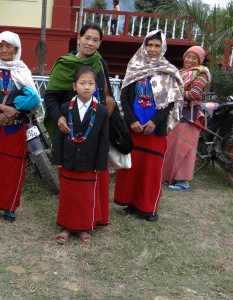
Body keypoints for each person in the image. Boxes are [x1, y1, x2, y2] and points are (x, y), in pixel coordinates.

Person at [44, 22, 116, 227]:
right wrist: (59, 117)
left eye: (95, 40)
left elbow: (106, 93)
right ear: (79, 39)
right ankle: (70, 219)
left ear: (100, 43)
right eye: (87, 38)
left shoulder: (100, 63)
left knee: (95, 174)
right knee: (72, 178)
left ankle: (95, 217)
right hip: (69, 125)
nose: (90, 43)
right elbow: (50, 97)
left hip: (95, 124)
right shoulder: (64, 63)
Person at [113, 29, 184, 222]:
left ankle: (148, 207)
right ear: (144, 46)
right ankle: (130, 202)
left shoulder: (168, 71)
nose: (152, 49)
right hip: (134, 129)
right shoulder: (134, 67)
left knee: (151, 170)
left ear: (163, 48)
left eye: (156, 45)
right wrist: (132, 120)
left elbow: (170, 102)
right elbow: (125, 98)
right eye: (149, 45)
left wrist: (154, 121)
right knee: (132, 168)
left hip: (155, 131)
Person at [0, 31, 40, 222]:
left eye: (8, 46)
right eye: (1, 46)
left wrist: (15, 111)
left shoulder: (22, 71)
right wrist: (3, 108)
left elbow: (32, 98)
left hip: (14, 128)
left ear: (16, 48)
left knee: (12, 167)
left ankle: (10, 206)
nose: (4, 50)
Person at [53, 66, 109, 244]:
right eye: (82, 83)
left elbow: (104, 138)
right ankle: (66, 227)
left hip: (89, 161)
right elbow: (59, 136)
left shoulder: (101, 111)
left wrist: (100, 164)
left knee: (86, 196)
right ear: (74, 86)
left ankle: (84, 227)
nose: (86, 87)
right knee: (68, 195)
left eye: (91, 83)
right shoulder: (65, 108)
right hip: (69, 159)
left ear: (96, 86)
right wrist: (58, 159)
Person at [163, 46, 211, 191]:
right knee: (172, 146)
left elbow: (195, 93)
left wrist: (173, 91)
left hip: (189, 114)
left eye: (194, 58)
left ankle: (183, 182)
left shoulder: (202, 74)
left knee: (184, 148)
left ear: (200, 60)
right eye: (188, 57)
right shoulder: (181, 72)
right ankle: (169, 177)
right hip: (177, 112)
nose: (189, 60)